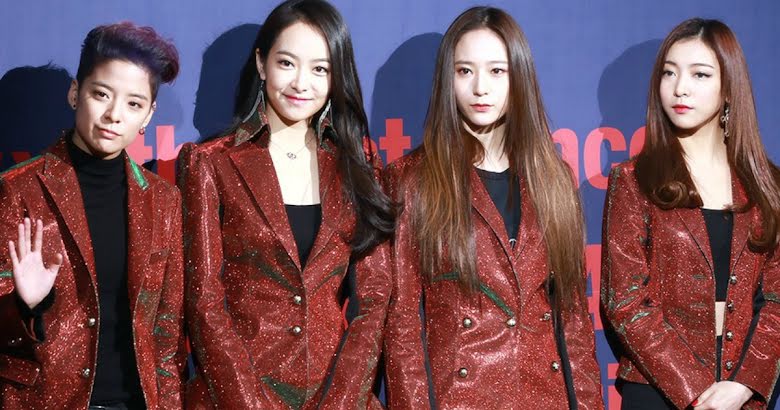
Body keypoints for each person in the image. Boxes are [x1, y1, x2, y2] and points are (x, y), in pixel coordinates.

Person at [382, 6, 603, 409]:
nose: (480, 87)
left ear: (519, 77)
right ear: (447, 79)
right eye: (465, 71)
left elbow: (572, 321)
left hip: (545, 398)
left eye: (497, 71)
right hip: (459, 399)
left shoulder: (553, 178)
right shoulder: (413, 179)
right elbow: (402, 325)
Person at [178, 0, 394, 408]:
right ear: (262, 64)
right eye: (287, 63)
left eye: (320, 69)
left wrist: (340, 402)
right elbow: (204, 301)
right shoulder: (210, 163)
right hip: (236, 397)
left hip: (335, 396)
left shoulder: (359, 164)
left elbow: (374, 298)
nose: (301, 83)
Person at [0, 22, 184, 409]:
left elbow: (166, 336)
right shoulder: (17, 190)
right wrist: (26, 306)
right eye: (101, 94)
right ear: (75, 93)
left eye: (134, 104)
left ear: (149, 115)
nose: (114, 114)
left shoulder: (163, 200)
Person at [601, 18, 780, 410]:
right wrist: (698, 390)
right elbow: (624, 303)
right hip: (657, 389)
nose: (680, 87)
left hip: (741, 392)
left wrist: (744, 385)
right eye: (670, 73)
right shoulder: (633, 180)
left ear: (729, 88)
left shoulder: (768, 186)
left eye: (700, 74)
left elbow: (777, 299)